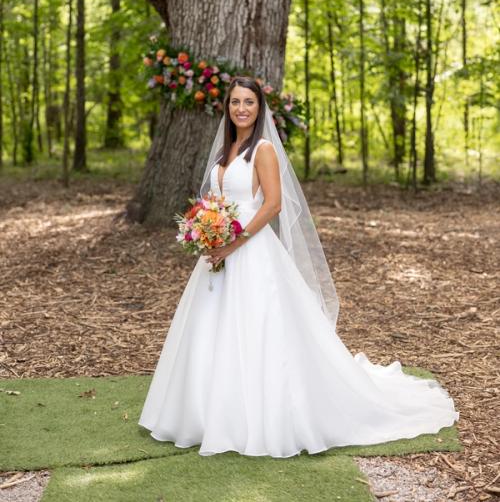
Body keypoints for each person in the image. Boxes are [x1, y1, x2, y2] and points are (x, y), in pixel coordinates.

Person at [138, 76, 459, 457]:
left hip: (252, 253)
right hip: (218, 255)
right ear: (227, 106)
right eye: (235, 102)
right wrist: (205, 229)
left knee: (259, 333)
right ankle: (206, 415)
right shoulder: (227, 150)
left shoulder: (263, 150)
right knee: (211, 334)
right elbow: (216, 200)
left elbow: (272, 205)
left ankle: (261, 418)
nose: (241, 108)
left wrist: (235, 241)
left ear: (260, 110)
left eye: (249, 103)